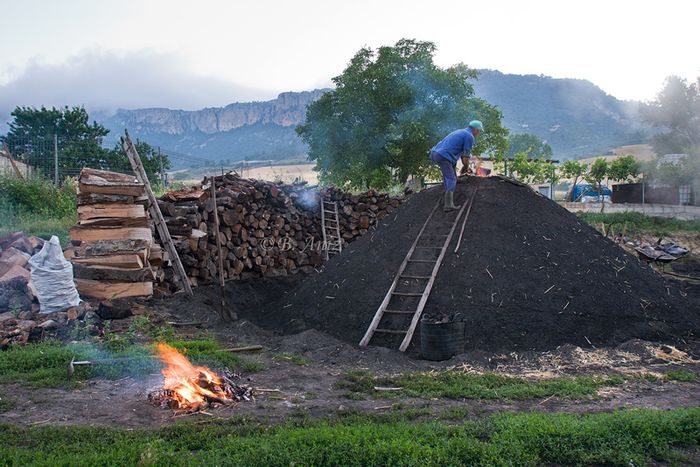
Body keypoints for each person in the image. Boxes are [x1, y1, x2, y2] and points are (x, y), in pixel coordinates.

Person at [429, 120, 483, 211]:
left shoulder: (461, 132)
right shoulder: (469, 136)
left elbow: (462, 156)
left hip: (436, 153)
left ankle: (454, 183)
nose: (479, 133)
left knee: (451, 175)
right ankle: (448, 204)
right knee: (451, 178)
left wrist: (465, 166)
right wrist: (466, 167)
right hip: (444, 155)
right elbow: (465, 156)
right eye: (479, 131)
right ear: (475, 130)